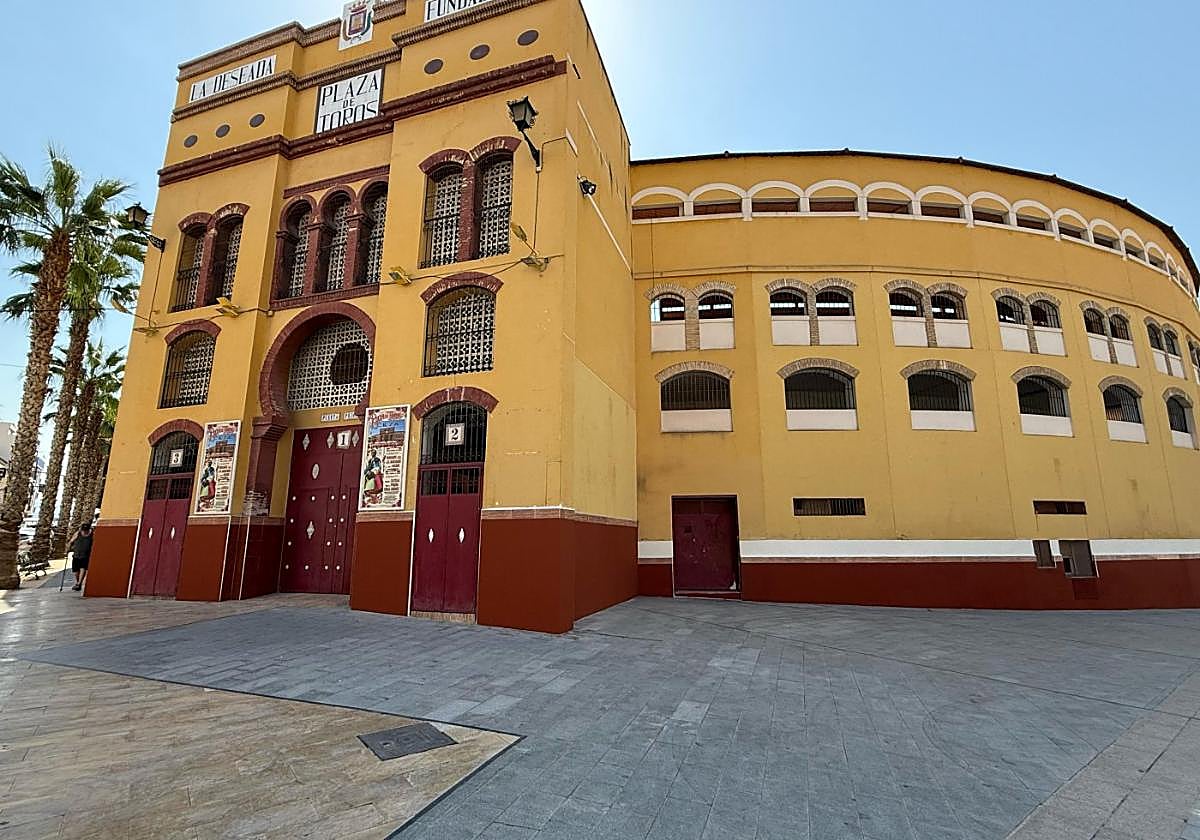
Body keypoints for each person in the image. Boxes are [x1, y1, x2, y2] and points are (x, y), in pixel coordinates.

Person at [68, 522, 95, 593]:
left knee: (83, 568)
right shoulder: (78, 533)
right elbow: (71, 541)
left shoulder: (92, 534)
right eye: (84, 530)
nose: (85, 531)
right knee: (76, 571)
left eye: (86, 530)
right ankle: (78, 583)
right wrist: (68, 548)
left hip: (86, 555)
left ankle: (79, 583)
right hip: (77, 554)